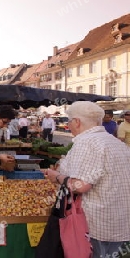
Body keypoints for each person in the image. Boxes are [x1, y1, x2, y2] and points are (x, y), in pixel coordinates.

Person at [44, 101, 130, 258]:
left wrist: (56, 177)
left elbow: (81, 185)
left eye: (69, 121)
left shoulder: (87, 143)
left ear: (77, 122)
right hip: (119, 221)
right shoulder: (115, 142)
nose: (68, 125)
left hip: (96, 223)